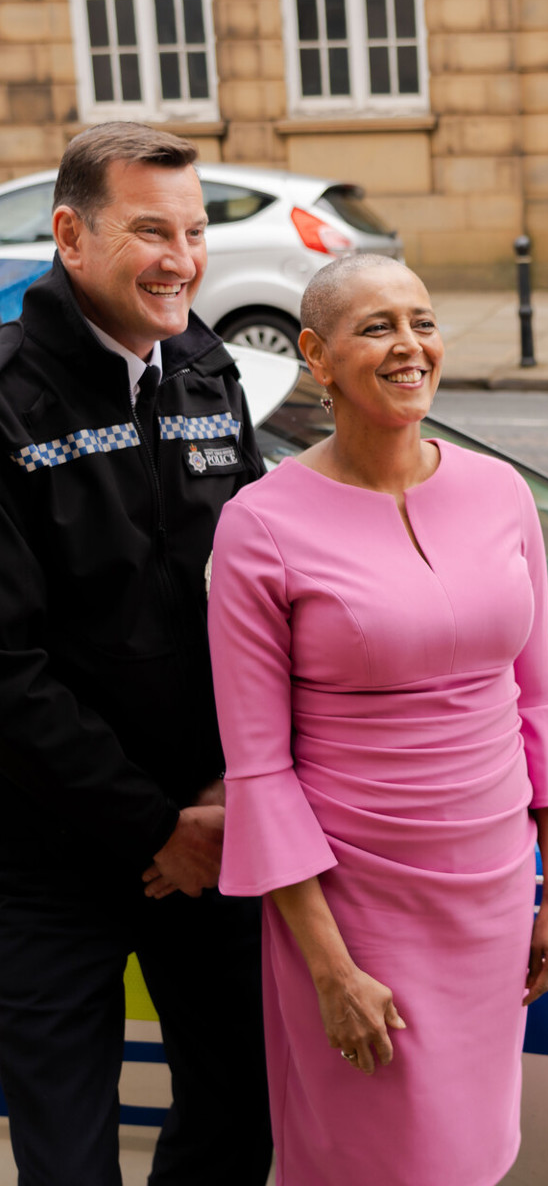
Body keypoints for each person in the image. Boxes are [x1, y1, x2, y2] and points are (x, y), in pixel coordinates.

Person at [207, 253, 548, 1185]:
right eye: (377, 327)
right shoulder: (259, 525)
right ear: (316, 355)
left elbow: (536, 700)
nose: (410, 345)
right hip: (355, 908)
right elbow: (259, 771)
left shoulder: (501, 492)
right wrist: (331, 970)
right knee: (377, 1158)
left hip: (495, 893)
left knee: (474, 1154)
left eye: (422, 321)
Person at [0, 123, 272, 1183]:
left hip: (210, 824)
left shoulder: (208, 370)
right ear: (71, 235)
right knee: (68, 1156)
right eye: (151, 231)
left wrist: (233, 783)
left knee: (243, 1111)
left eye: (195, 232)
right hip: (47, 855)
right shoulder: (7, 401)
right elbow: (7, 672)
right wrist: (154, 825)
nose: (182, 259)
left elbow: (262, 601)